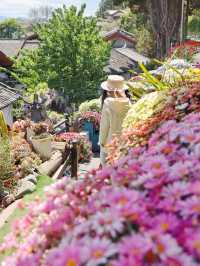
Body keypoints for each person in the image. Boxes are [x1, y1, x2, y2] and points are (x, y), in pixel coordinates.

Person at [99, 75, 131, 166]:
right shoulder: (128, 102)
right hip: (124, 144)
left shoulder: (107, 103)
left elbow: (104, 126)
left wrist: (101, 142)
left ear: (108, 90)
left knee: (107, 174)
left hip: (109, 145)